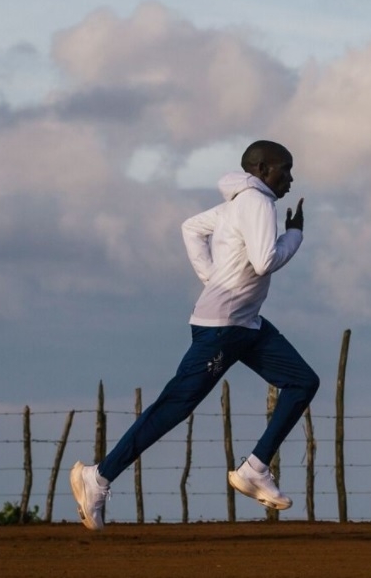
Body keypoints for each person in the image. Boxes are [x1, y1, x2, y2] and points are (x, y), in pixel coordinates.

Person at [70, 140, 320, 530]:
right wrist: (295, 235)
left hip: (246, 323)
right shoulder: (256, 203)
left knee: (302, 382)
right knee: (175, 406)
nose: (290, 177)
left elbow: (192, 228)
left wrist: (211, 279)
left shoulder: (240, 202)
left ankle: (254, 468)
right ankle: (97, 477)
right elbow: (265, 260)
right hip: (223, 327)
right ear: (261, 170)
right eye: (284, 168)